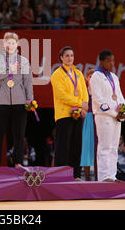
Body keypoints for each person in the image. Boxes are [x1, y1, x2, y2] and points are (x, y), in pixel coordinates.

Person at [0, 32, 33, 167]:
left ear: (17, 44)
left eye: (13, 43)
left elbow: (28, 81)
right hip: (1, 100)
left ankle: (18, 161)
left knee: (19, 133)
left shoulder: (23, 61)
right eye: (8, 42)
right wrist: (9, 69)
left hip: (20, 101)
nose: (10, 45)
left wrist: (30, 99)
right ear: (3, 44)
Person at [50, 46, 89, 180]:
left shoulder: (78, 73)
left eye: (71, 55)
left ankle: (76, 175)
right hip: (64, 114)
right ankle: (60, 176)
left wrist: (84, 106)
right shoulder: (57, 74)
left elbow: (84, 93)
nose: (69, 58)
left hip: (78, 114)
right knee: (63, 146)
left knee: (76, 146)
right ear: (61, 57)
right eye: (66, 55)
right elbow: (62, 96)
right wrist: (80, 104)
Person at [90, 49, 125, 182]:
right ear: (101, 61)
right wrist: (114, 113)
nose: (112, 63)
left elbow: (120, 97)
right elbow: (98, 99)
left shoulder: (114, 77)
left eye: (113, 60)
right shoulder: (96, 76)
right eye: (108, 61)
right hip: (104, 116)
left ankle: (112, 175)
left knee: (113, 147)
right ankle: (104, 176)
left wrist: (124, 111)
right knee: (104, 146)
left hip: (116, 117)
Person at [81, 69, 97, 181]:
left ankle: (98, 178)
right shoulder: (83, 90)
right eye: (90, 77)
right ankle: (87, 179)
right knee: (86, 149)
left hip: (98, 120)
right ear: (86, 78)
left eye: (93, 76)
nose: (91, 79)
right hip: (86, 121)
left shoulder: (99, 92)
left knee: (97, 149)